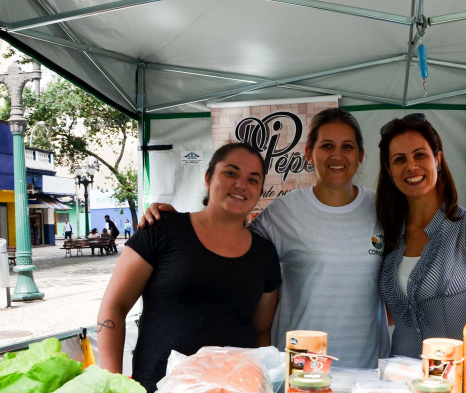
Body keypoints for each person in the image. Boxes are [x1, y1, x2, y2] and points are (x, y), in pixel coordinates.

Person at [141, 108, 389, 369]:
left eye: (347, 146)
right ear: (308, 153)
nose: (337, 155)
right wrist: (181, 223)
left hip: (367, 369)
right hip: (299, 370)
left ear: (360, 155)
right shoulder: (284, 211)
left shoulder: (382, 209)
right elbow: (230, 239)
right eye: (326, 145)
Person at [97, 142, 281, 393]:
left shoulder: (265, 254)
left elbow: (261, 332)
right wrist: (110, 386)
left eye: (253, 179)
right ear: (208, 179)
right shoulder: (162, 228)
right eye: (230, 173)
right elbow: (113, 308)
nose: (241, 184)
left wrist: (260, 392)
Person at [376, 114, 466, 358]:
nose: (411, 166)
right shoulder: (387, 235)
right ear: (389, 169)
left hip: (458, 386)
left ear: (437, 158)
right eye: (399, 159)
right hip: (400, 383)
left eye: (420, 155)